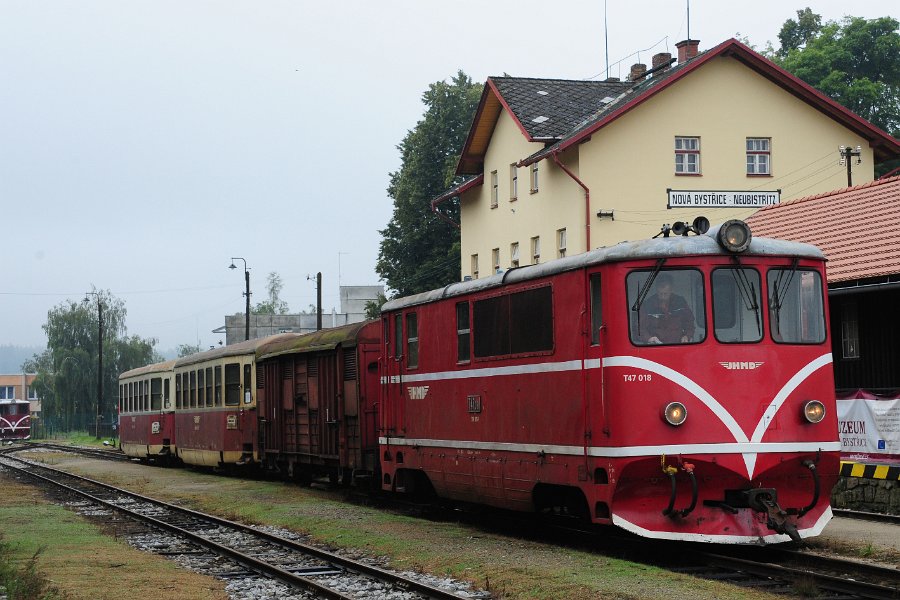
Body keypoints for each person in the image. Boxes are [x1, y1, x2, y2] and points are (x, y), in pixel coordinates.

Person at [641, 274, 695, 344]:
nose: (663, 296)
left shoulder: (681, 302)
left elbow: (690, 323)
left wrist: (687, 336)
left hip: (678, 345)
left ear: (671, 290)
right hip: (655, 346)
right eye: (661, 294)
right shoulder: (647, 304)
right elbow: (640, 328)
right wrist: (648, 338)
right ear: (656, 289)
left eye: (665, 294)